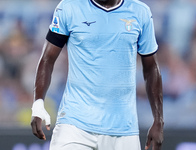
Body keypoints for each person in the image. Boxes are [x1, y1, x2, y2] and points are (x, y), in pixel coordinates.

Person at [31, 0, 164, 150]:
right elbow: (47, 59)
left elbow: (151, 67)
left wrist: (158, 120)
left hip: (123, 129)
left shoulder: (140, 12)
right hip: (74, 126)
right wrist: (38, 104)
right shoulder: (69, 7)